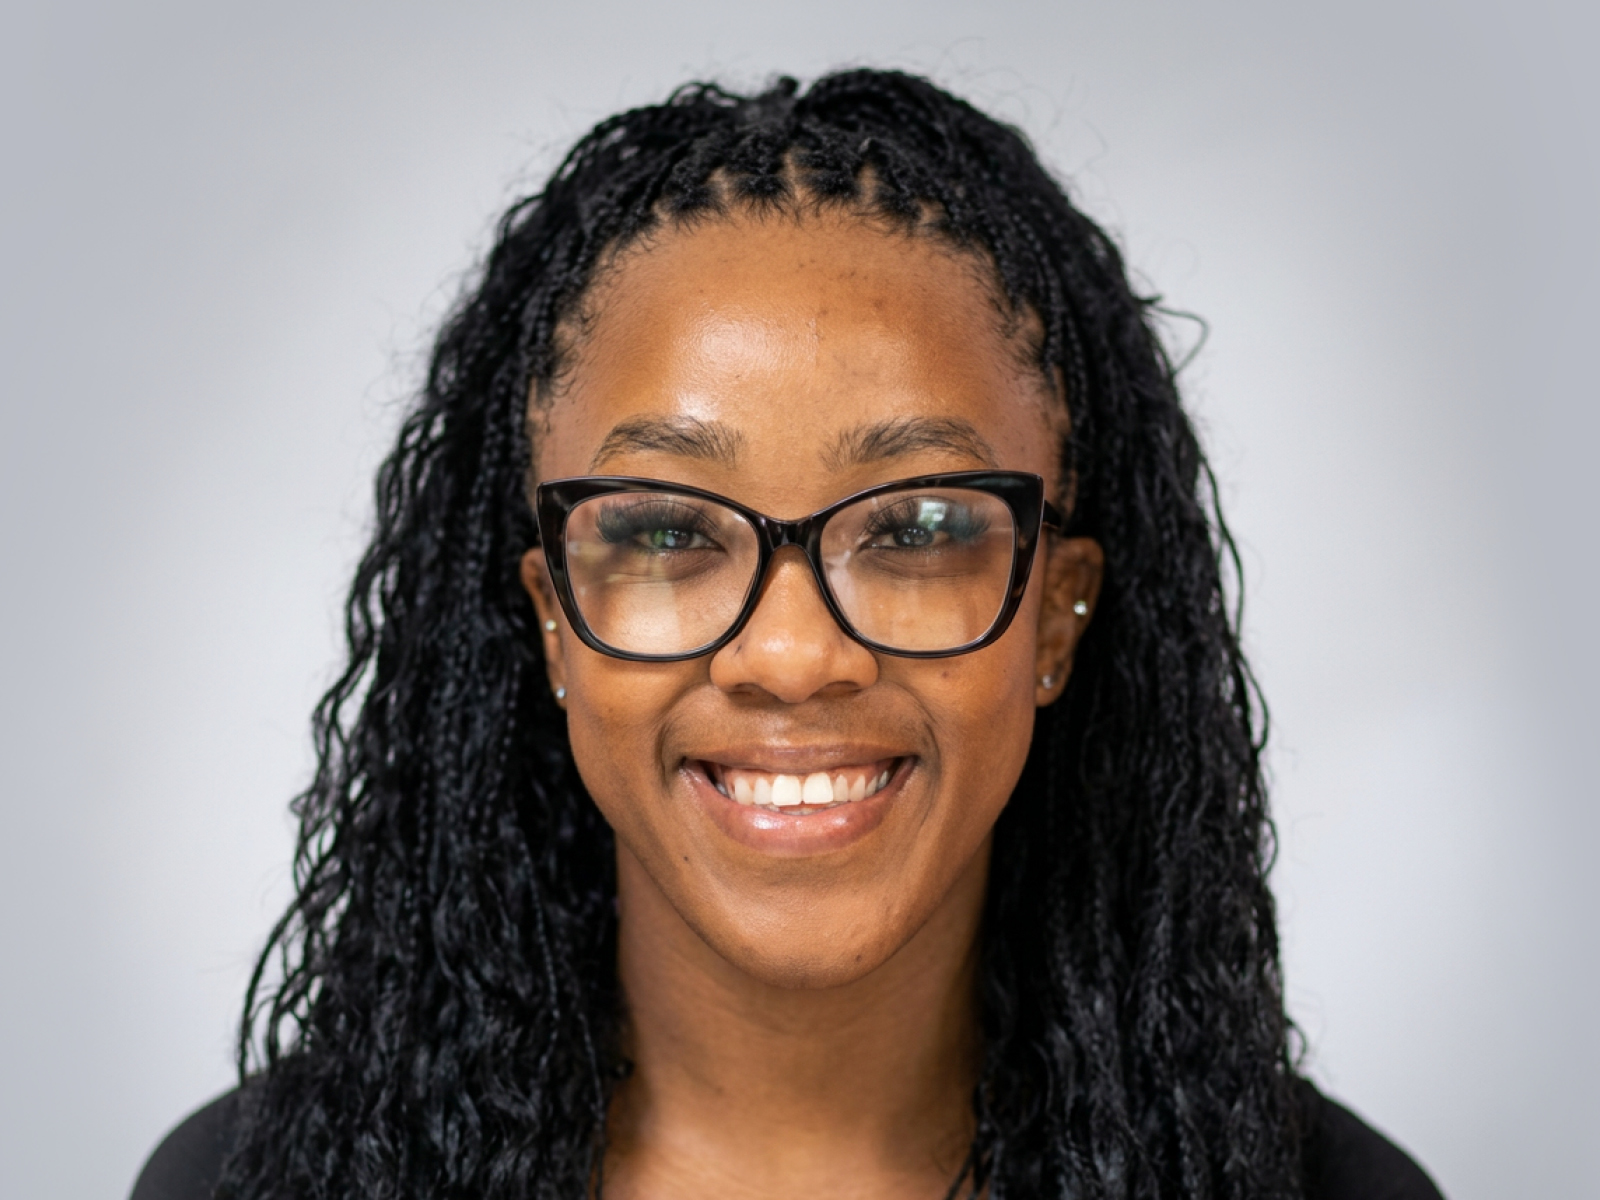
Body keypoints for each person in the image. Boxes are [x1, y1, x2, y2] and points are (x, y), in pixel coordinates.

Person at [132, 70, 1443, 1200]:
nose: (793, 656)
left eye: (920, 525)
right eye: (665, 530)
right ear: (552, 619)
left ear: (1056, 610)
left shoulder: (1313, 1191)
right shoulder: (265, 1181)